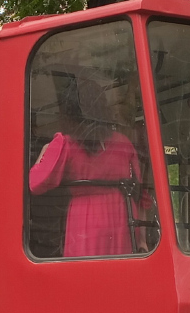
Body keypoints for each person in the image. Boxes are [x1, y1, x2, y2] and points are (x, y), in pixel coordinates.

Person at [29, 75, 144, 257]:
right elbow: (142, 193)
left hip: (85, 221)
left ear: (68, 113)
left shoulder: (65, 144)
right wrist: (143, 239)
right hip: (122, 217)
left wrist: (44, 153)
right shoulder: (123, 143)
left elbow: (36, 184)